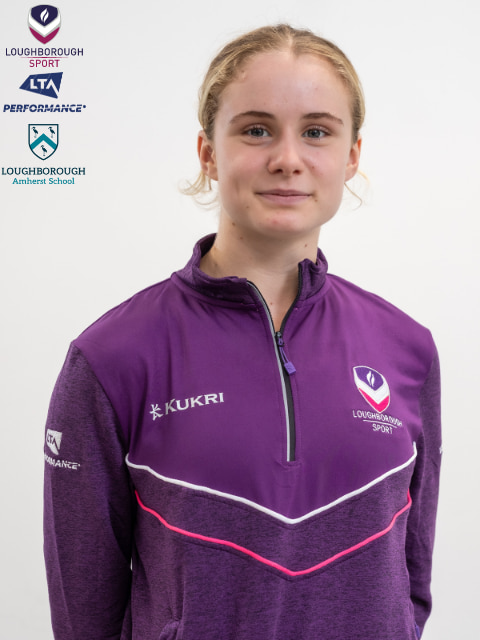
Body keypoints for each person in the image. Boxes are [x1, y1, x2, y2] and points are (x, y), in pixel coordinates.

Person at [44, 24, 441, 640]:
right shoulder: (112, 358)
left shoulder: (407, 348)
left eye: (317, 132)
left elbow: (411, 586)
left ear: (352, 156)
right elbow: (83, 615)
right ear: (208, 152)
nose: (288, 158)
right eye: (256, 130)